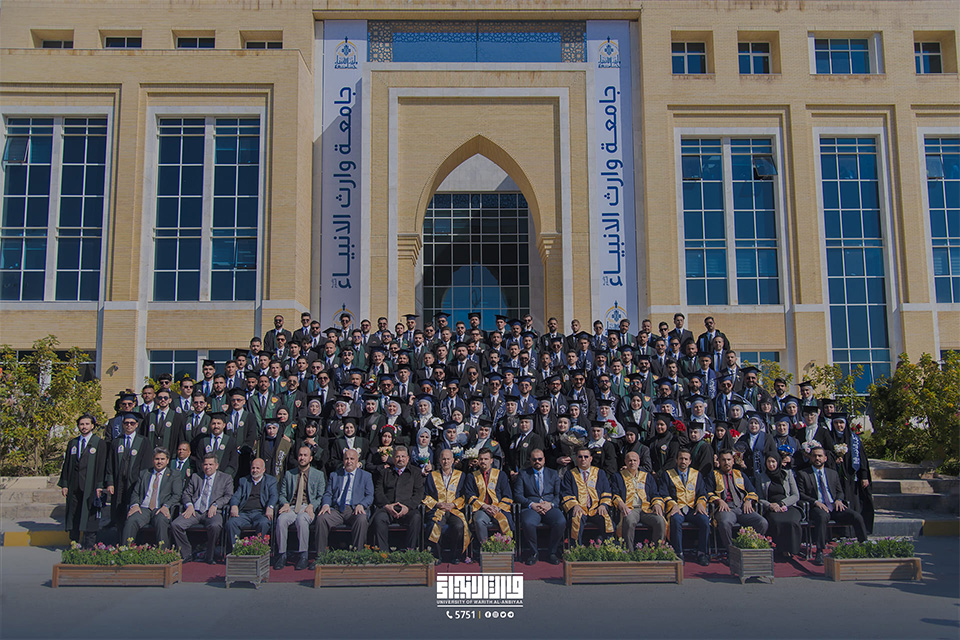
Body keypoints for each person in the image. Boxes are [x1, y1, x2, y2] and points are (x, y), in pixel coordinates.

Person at [796, 445, 868, 565]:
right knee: (822, 517)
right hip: (817, 507)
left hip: (834, 507)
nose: (817, 458)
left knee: (857, 516)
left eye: (820, 456)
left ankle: (864, 546)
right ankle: (820, 551)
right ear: (810, 458)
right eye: (814, 456)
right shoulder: (803, 474)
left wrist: (839, 499)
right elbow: (801, 494)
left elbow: (840, 491)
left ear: (825, 458)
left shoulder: (832, 473)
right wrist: (816, 502)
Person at [171, 453, 234, 564]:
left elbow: (228, 496)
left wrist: (216, 504)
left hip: (213, 511)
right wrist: (189, 505)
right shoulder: (196, 477)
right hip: (195, 511)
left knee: (215, 526)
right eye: (205, 464)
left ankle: (209, 555)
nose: (207, 467)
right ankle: (187, 554)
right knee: (176, 525)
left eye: (210, 464)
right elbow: (186, 494)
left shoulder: (225, 478)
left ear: (216, 466)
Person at [59, 414, 109, 548]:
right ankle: (74, 543)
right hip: (74, 485)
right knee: (74, 513)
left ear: (92, 426)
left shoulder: (99, 443)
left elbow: (102, 466)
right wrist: (65, 484)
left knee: (90, 515)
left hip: (91, 485)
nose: (84, 427)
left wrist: (100, 485)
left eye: (87, 424)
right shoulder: (73, 443)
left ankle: (89, 545)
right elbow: (67, 465)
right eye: (81, 424)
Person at [314, 448, 374, 559]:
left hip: (355, 509)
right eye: (346, 459)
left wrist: (362, 504)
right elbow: (328, 493)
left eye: (352, 459)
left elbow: (370, 495)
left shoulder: (366, 476)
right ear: (343, 460)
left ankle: (358, 556)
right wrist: (326, 504)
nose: (349, 461)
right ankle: (320, 556)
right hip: (337, 510)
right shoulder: (335, 475)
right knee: (321, 519)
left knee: (361, 519)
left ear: (357, 461)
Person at [275, 446, 326, 570]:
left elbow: (321, 496)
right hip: (291, 507)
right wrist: (285, 503)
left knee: (301, 520)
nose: (302, 458)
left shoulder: (318, 475)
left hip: (307, 507)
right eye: (300, 455)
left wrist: (312, 505)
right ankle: (282, 555)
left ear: (310, 458)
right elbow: (282, 494)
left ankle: (303, 555)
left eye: (305, 455)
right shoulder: (289, 474)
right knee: (281, 520)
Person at [710, 450, 768, 557]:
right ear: (719, 461)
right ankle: (731, 552)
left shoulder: (740, 474)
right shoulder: (713, 475)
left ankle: (750, 548)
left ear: (733, 461)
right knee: (725, 523)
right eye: (723, 460)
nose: (726, 463)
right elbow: (708, 492)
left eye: (729, 460)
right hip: (726, 508)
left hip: (742, 507)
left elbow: (752, 491)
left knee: (762, 522)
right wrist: (719, 501)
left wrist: (748, 500)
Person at [121, 447, 182, 548]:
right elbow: (135, 492)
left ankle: (163, 553)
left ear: (167, 460)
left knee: (161, 521)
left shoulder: (174, 475)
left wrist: (166, 506)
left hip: (160, 508)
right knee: (131, 520)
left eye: (162, 459)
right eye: (157, 459)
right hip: (143, 509)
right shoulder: (144, 474)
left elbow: (177, 495)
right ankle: (126, 551)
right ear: (153, 460)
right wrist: (135, 505)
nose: (159, 462)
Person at [512, 448, 565, 565]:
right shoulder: (523, 474)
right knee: (528, 523)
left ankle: (552, 552)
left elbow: (558, 495)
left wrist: (551, 504)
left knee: (560, 521)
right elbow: (518, 495)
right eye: (534, 459)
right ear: (530, 460)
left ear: (544, 460)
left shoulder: (553, 473)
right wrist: (531, 504)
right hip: (531, 507)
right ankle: (534, 553)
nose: (537, 461)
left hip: (549, 506)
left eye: (540, 459)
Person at [662, 449, 711, 566]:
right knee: (675, 520)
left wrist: (700, 503)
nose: (683, 461)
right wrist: (673, 504)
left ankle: (702, 553)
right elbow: (663, 493)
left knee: (705, 521)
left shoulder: (696, 475)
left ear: (690, 461)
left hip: (692, 508)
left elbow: (702, 493)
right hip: (677, 508)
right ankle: (678, 553)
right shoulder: (668, 474)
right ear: (676, 460)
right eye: (681, 458)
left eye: (686, 459)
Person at [105, 412, 153, 530]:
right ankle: (120, 537)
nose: (129, 425)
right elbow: (110, 464)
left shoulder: (143, 441)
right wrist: (110, 483)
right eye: (126, 423)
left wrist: (143, 483)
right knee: (119, 510)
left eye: (132, 423)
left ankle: (134, 538)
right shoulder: (116, 442)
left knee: (133, 510)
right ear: (122, 425)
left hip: (135, 482)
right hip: (119, 482)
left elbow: (146, 465)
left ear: (136, 425)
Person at [611, 450, 667, 549]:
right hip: (630, 509)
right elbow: (615, 494)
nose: (632, 463)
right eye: (630, 460)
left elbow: (655, 493)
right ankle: (629, 551)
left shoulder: (647, 476)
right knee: (629, 520)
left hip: (646, 509)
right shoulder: (618, 476)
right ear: (625, 462)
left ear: (639, 462)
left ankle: (657, 550)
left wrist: (657, 504)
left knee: (660, 521)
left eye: (635, 460)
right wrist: (621, 504)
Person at [372, 445, 424, 551]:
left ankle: (410, 551)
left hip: (407, 509)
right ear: (393, 458)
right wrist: (387, 506)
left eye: (403, 456)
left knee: (416, 517)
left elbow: (418, 493)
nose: (400, 459)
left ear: (408, 458)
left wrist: (407, 507)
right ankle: (384, 553)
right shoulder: (384, 472)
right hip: (388, 508)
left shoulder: (415, 472)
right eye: (397, 456)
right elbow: (378, 492)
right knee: (379, 518)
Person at [422, 449, 470, 564]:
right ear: (439, 460)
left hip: (454, 510)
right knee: (434, 525)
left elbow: (464, 496)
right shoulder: (432, 476)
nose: (446, 461)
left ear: (453, 460)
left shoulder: (461, 475)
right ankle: (437, 556)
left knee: (459, 525)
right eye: (443, 459)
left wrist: (453, 504)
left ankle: (454, 555)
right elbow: (425, 495)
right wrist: (437, 504)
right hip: (438, 509)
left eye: (448, 459)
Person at [829, 413, 875, 533]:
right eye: (836, 423)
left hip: (852, 478)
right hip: (836, 479)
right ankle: (840, 532)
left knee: (854, 504)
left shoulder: (853, 439)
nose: (839, 425)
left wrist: (864, 476)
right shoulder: (829, 438)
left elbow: (862, 459)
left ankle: (854, 531)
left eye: (841, 423)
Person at [560, 447, 614, 545]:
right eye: (580, 457)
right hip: (579, 508)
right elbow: (566, 493)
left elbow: (606, 491)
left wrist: (603, 505)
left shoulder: (600, 473)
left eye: (586, 457)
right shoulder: (570, 474)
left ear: (591, 459)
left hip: (597, 508)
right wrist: (575, 505)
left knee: (606, 520)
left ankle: (608, 547)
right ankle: (576, 549)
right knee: (576, 519)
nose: (583, 459)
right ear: (576, 458)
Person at [225, 458, 278, 551]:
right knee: (231, 523)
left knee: (264, 523)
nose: (255, 470)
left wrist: (270, 506)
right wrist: (234, 506)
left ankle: (258, 550)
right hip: (244, 513)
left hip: (260, 513)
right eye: (253, 468)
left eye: (258, 468)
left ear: (263, 470)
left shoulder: (270, 480)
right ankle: (236, 550)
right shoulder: (244, 481)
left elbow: (274, 495)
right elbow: (236, 496)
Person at [756, 452, 802, 560]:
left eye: (773, 462)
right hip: (772, 507)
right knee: (777, 521)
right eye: (769, 462)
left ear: (778, 462)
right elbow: (759, 497)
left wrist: (782, 503)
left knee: (792, 522)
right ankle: (781, 549)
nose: (771, 464)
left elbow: (795, 495)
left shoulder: (787, 474)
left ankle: (792, 549)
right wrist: (770, 505)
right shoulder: (761, 477)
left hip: (788, 505)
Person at [465, 448, 515, 544]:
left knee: (507, 520)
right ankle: (485, 547)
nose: (483, 461)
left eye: (486, 459)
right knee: (479, 521)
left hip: (499, 508)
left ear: (491, 460)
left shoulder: (501, 475)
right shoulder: (472, 477)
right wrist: (485, 506)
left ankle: (506, 548)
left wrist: (497, 508)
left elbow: (507, 496)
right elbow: (469, 495)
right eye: (481, 459)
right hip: (481, 509)